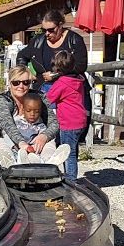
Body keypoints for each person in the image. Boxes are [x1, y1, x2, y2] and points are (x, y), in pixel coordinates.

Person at [0, 63, 61, 168]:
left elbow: (54, 123)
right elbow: (7, 125)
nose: (21, 86)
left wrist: (44, 136)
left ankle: (49, 162)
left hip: (35, 140)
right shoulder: (3, 100)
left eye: (25, 82)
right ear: (10, 83)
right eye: (16, 83)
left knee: (50, 143)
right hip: (12, 142)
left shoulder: (39, 98)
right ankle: (11, 164)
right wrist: (22, 144)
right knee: (0, 143)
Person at [44, 50, 90, 181]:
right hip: (80, 120)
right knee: (73, 151)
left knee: (68, 153)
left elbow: (48, 99)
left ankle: (71, 180)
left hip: (68, 123)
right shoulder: (78, 80)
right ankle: (70, 176)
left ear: (57, 68)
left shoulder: (62, 83)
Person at [19, 9, 87, 83]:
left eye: (51, 30)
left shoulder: (74, 40)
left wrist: (56, 74)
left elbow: (81, 66)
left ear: (60, 25)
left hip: (69, 87)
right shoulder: (37, 41)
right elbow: (21, 56)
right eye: (44, 30)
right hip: (43, 88)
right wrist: (25, 73)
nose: (47, 33)